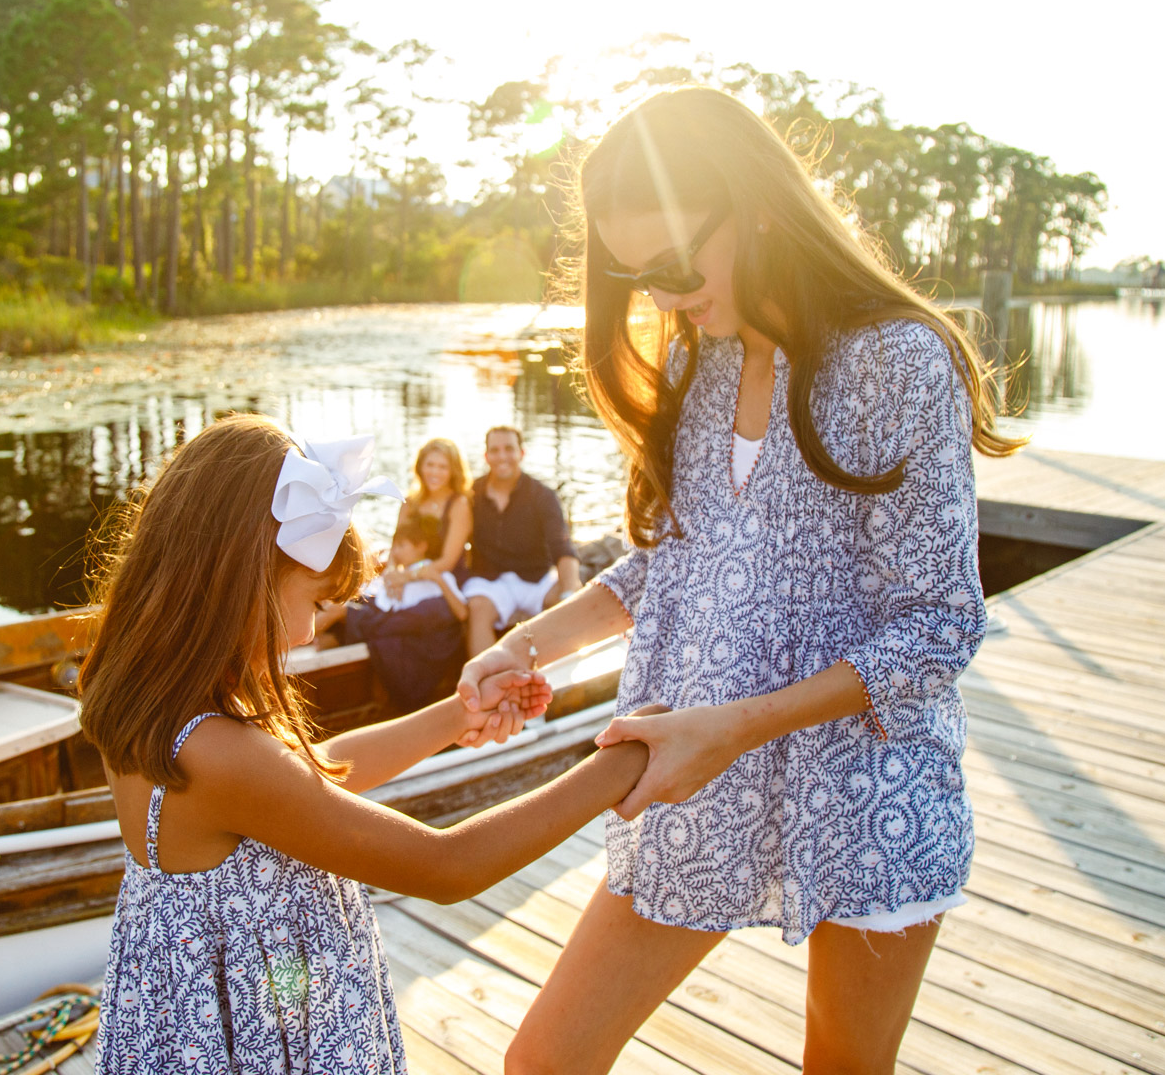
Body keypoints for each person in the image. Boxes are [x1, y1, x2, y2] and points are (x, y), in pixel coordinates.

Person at [459, 87, 1024, 1075]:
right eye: (640, 276)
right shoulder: (703, 364)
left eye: (676, 264)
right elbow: (677, 560)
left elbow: (936, 629)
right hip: (693, 775)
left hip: (867, 791)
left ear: (756, 206)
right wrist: (528, 641)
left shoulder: (899, 361)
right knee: (543, 1062)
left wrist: (734, 726)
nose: (666, 298)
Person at [76, 415, 654, 1074]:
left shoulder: (157, 702)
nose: (305, 632)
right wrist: (623, 761)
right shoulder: (216, 755)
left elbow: (310, 778)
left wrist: (457, 715)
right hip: (273, 1033)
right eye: (315, 602)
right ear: (242, 579)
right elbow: (447, 867)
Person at [321, 516, 471, 711]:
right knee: (339, 605)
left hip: (414, 622)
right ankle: (324, 634)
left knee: (340, 612)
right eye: (395, 546)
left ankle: (322, 633)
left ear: (421, 546)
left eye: (402, 546)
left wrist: (437, 580)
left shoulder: (437, 574)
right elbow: (376, 595)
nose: (396, 552)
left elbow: (461, 613)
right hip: (388, 616)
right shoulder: (396, 576)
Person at [460, 425, 582, 656]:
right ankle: (484, 683)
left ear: (521, 453)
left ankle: (557, 680)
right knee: (477, 609)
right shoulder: (471, 493)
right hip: (489, 581)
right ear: (486, 457)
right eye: (495, 450)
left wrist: (570, 591)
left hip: (535, 579)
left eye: (509, 449)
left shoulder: (543, 495)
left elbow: (562, 547)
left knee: (568, 599)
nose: (502, 456)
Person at [380, 437, 473, 598]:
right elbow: (395, 548)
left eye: (443, 467)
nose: (435, 472)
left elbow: (447, 561)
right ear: (420, 466)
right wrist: (391, 573)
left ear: (453, 471)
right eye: (430, 465)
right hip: (408, 575)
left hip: (443, 580)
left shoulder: (459, 505)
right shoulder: (409, 502)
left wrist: (406, 577)